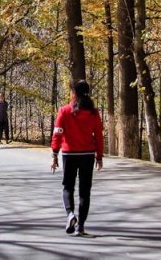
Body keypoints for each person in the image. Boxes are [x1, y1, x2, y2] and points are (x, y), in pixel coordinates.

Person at [50, 80, 103, 237]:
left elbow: (57, 133)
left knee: (68, 186)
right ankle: (80, 227)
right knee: (85, 191)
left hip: (69, 154)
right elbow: (99, 136)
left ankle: (70, 214)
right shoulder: (94, 113)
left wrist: (54, 154)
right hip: (87, 154)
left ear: (74, 93)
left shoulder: (64, 111)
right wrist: (99, 157)